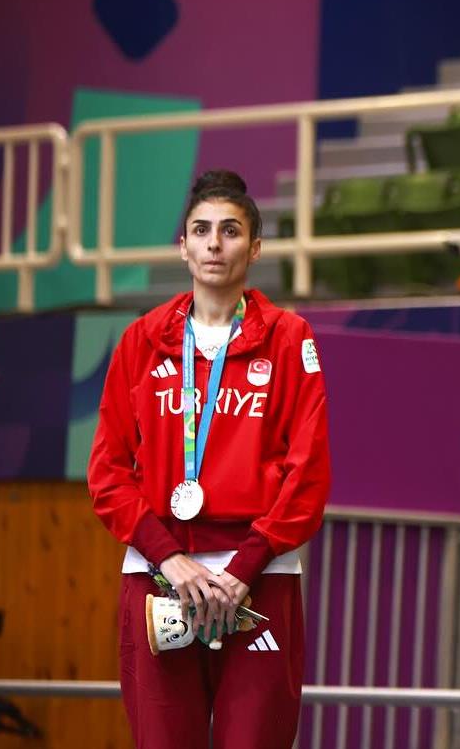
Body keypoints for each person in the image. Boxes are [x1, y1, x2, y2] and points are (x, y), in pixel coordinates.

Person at [88, 170, 331, 748]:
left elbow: (308, 473)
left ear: (255, 247)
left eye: (230, 230)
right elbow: (108, 473)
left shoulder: (289, 338)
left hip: (259, 579)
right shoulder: (141, 340)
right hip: (158, 577)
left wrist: (243, 569)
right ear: (183, 247)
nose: (214, 243)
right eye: (201, 230)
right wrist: (170, 559)